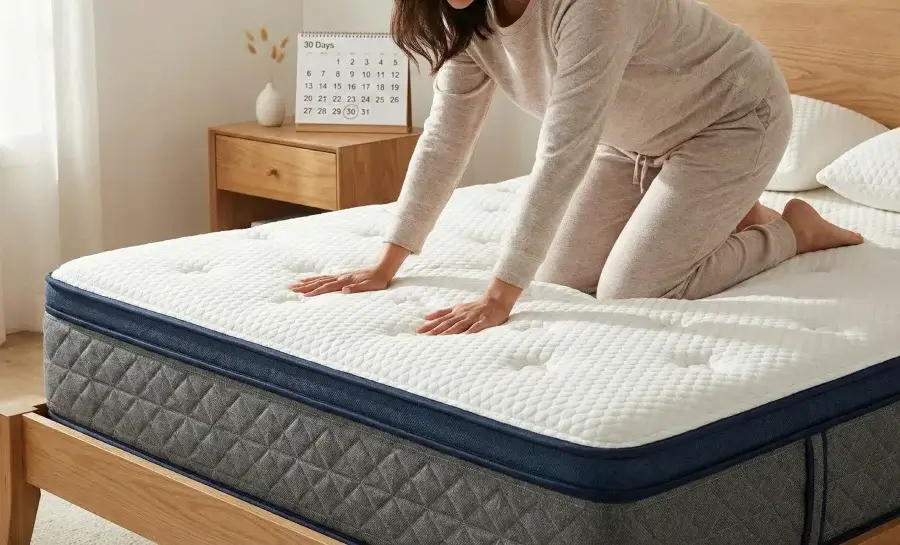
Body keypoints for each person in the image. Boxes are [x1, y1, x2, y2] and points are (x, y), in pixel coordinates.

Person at [291, 0, 863, 335]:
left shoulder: (590, 6)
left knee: (632, 290)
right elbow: (446, 137)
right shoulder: (467, 16)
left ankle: (793, 231)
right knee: (560, 278)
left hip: (731, 120)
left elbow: (562, 153)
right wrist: (386, 263)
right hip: (629, 138)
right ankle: (735, 211)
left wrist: (497, 298)